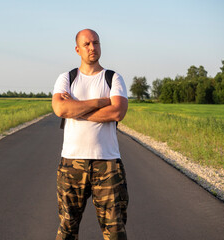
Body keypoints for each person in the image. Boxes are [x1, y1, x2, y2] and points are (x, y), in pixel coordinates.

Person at [52, 29, 129, 240]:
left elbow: (117, 112)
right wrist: (100, 101)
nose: (92, 47)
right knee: (67, 228)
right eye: (86, 44)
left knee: (115, 231)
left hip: (108, 163)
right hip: (71, 163)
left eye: (95, 43)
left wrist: (76, 109)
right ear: (78, 49)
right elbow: (60, 110)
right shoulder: (67, 78)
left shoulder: (113, 78)